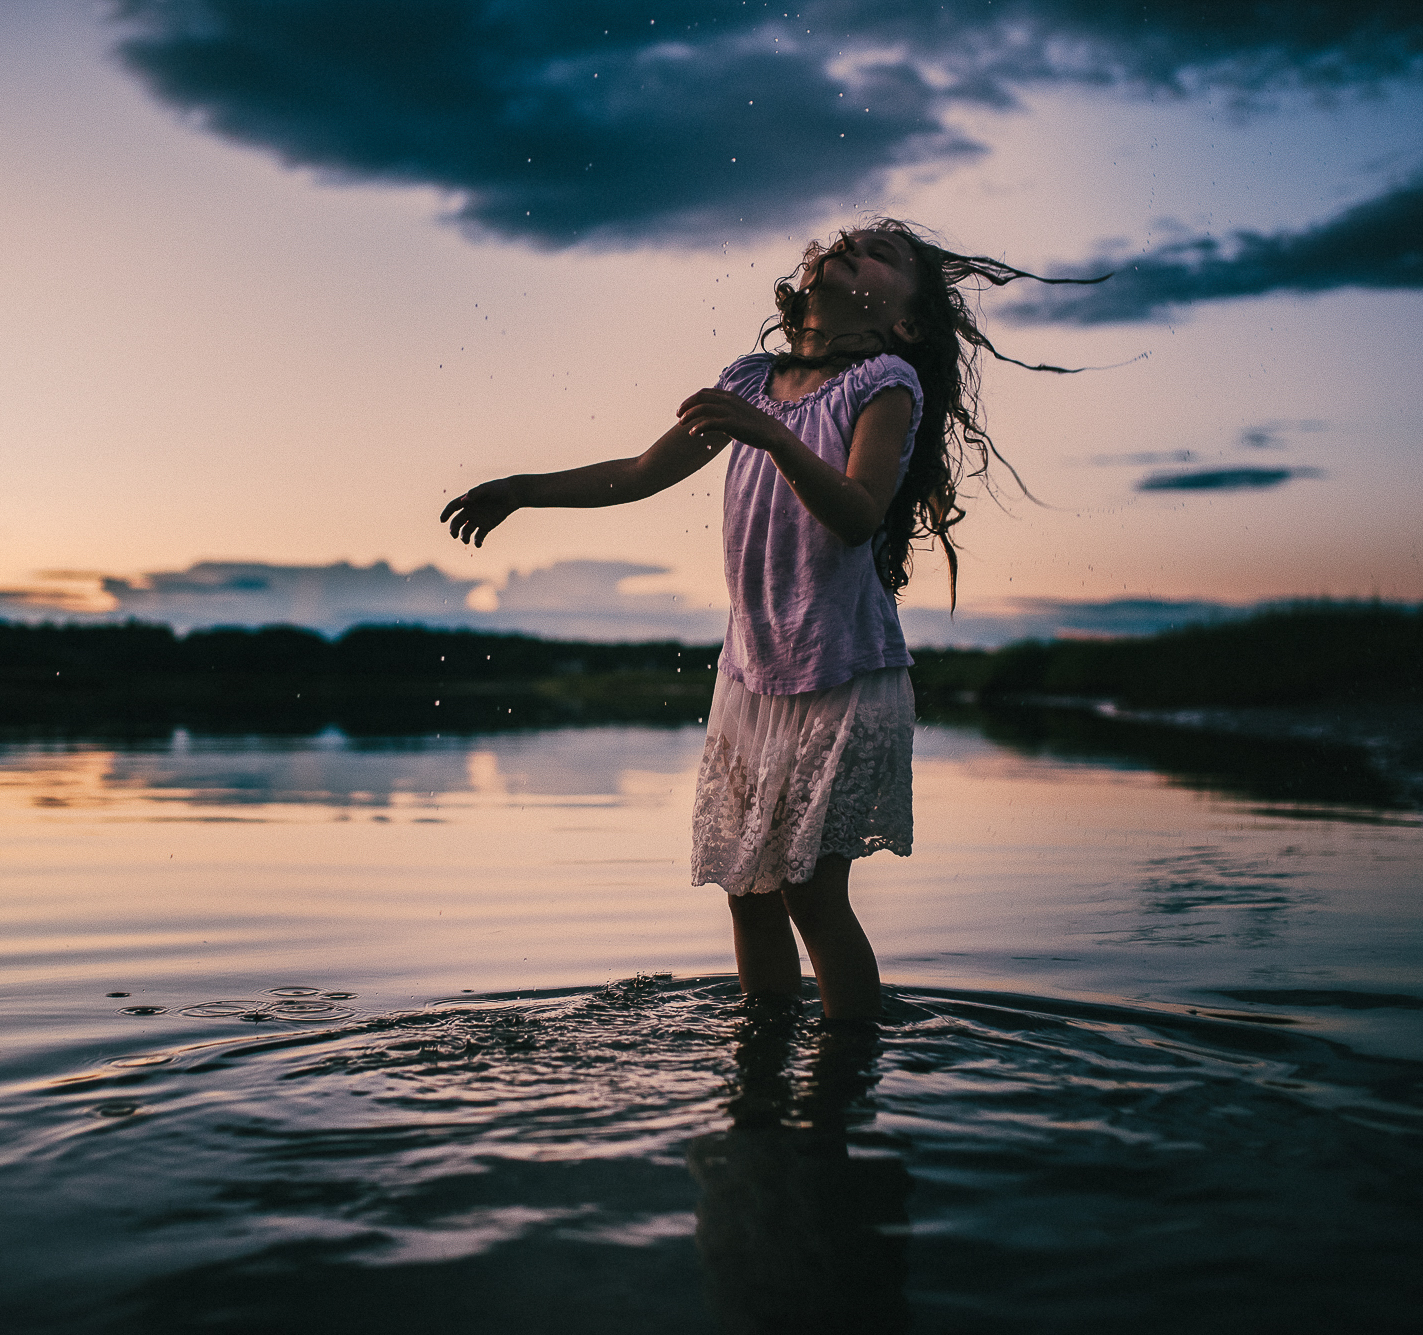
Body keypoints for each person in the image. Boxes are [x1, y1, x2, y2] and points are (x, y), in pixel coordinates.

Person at [442, 218, 1094, 1019]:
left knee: (810, 892)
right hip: (752, 677)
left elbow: (856, 513)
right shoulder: (753, 379)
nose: (854, 244)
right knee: (748, 891)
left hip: (845, 674)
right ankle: (764, 1063)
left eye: (884, 254)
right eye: (851, 238)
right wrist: (521, 487)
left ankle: (844, 1083)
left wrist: (770, 436)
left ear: (907, 322)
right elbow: (643, 472)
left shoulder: (885, 381)